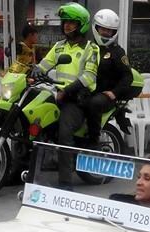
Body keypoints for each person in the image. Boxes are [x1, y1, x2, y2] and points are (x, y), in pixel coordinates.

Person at [33, 2, 99, 186]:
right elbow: (44, 65)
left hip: (77, 100)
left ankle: (65, 182)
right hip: (58, 96)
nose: (66, 25)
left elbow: (89, 77)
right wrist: (33, 71)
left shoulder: (90, 49)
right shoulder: (59, 46)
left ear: (82, 25)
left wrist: (67, 90)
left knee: (64, 132)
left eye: (71, 22)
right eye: (65, 22)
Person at [85, 9, 141, 146]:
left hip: (105, 94)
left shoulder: (117, 52)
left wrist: (114, 93)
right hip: (88, 90)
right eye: (103, 29)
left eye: (109, 31)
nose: (106, 33)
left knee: (94, 104)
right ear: (96, 27)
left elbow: (127, 76)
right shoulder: (88, 47)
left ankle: (93, 142)